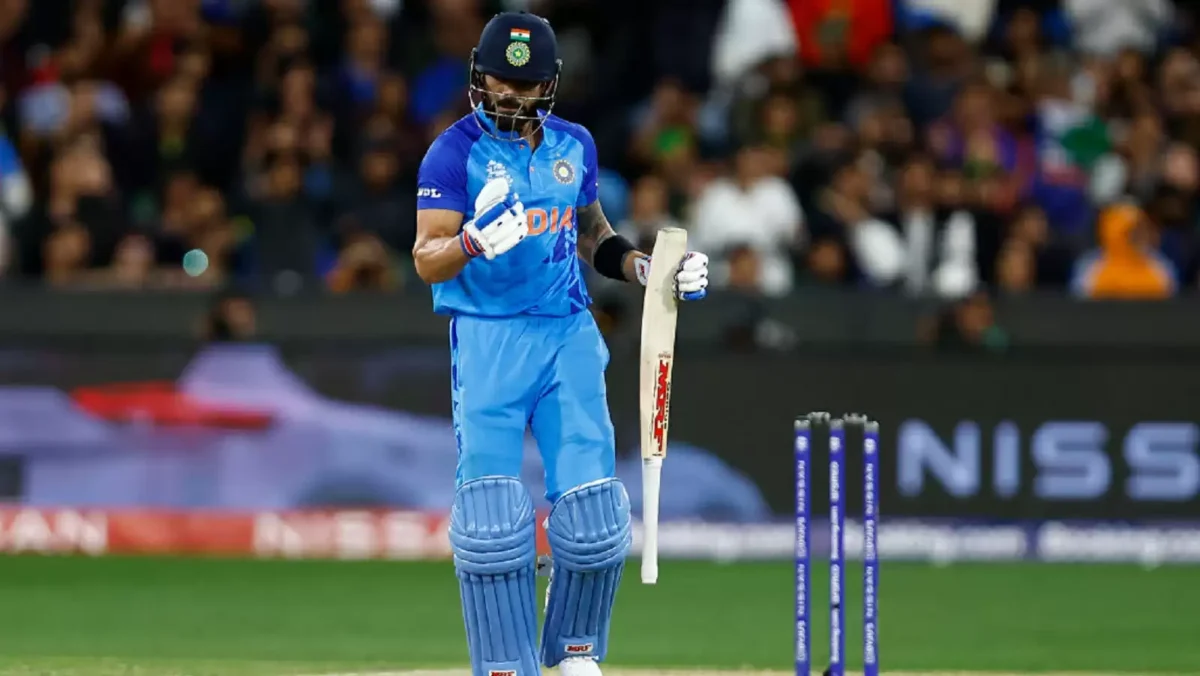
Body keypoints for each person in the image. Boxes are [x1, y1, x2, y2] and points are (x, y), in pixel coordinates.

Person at [410, 12, 709, 676]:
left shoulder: (575, 145)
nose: (508, 95)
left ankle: (575, 650)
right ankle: (505, 663)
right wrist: (471, 241)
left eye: (524, 84)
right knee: (491, 521)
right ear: (477, 76)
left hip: (567, 332)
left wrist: (650, 270)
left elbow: (594, 236)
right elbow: (426, 258)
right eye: (498, 80)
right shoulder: (452, 153)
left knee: (594, 514)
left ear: (548, 84)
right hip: (488, 338)